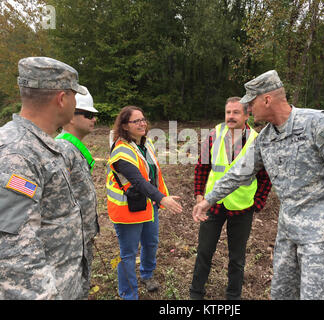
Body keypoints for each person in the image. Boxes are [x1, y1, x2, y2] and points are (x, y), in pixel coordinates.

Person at [193, 70, 324, 300]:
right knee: (282, 294)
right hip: (287, 233)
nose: (249, 110)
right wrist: (209, 200)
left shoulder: (317, 124)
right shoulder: (266, 138)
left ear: (267, 99)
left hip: (321, 237)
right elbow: (238, 173)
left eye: (251, 103)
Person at [0, 57, 87, 299]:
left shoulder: (40, 145)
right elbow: (16, 259)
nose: (75, 102)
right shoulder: (16, 154)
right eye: (73, 95)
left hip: (67, 284)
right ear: (62, 99)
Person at [190, 97, 271, 300]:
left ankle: (233, 297)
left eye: (236, 112)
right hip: (213, 204)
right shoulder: (214, 135)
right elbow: (202, 167)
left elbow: (265, 178)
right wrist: (200, 196)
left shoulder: (257, 140)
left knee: (237, 258)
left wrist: (257, 203)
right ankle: (196, 294)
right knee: (204, 252)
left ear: (246, 115)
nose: (231, 116)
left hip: (242, 207)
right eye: (228, 112)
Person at [106, 105, 183, 300]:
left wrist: (158, 200)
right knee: (128, 253)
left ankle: (147, 274)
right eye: (136, 121)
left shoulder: (144, 144)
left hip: (148, 206)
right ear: (124, 126)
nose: (142, 123)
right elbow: (138, 181)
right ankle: (128, 294)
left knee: (151, 243)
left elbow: (153, 175)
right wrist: (161, 197)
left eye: (143, 119)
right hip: (128, 210)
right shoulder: (120, 152)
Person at [55, 86, 100, 299]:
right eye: (89, 114)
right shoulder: (63, 149)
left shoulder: (74, 148)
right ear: (71, 117)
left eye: (95, 116)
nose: (94, 119)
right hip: (70, 244)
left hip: (82, 238)